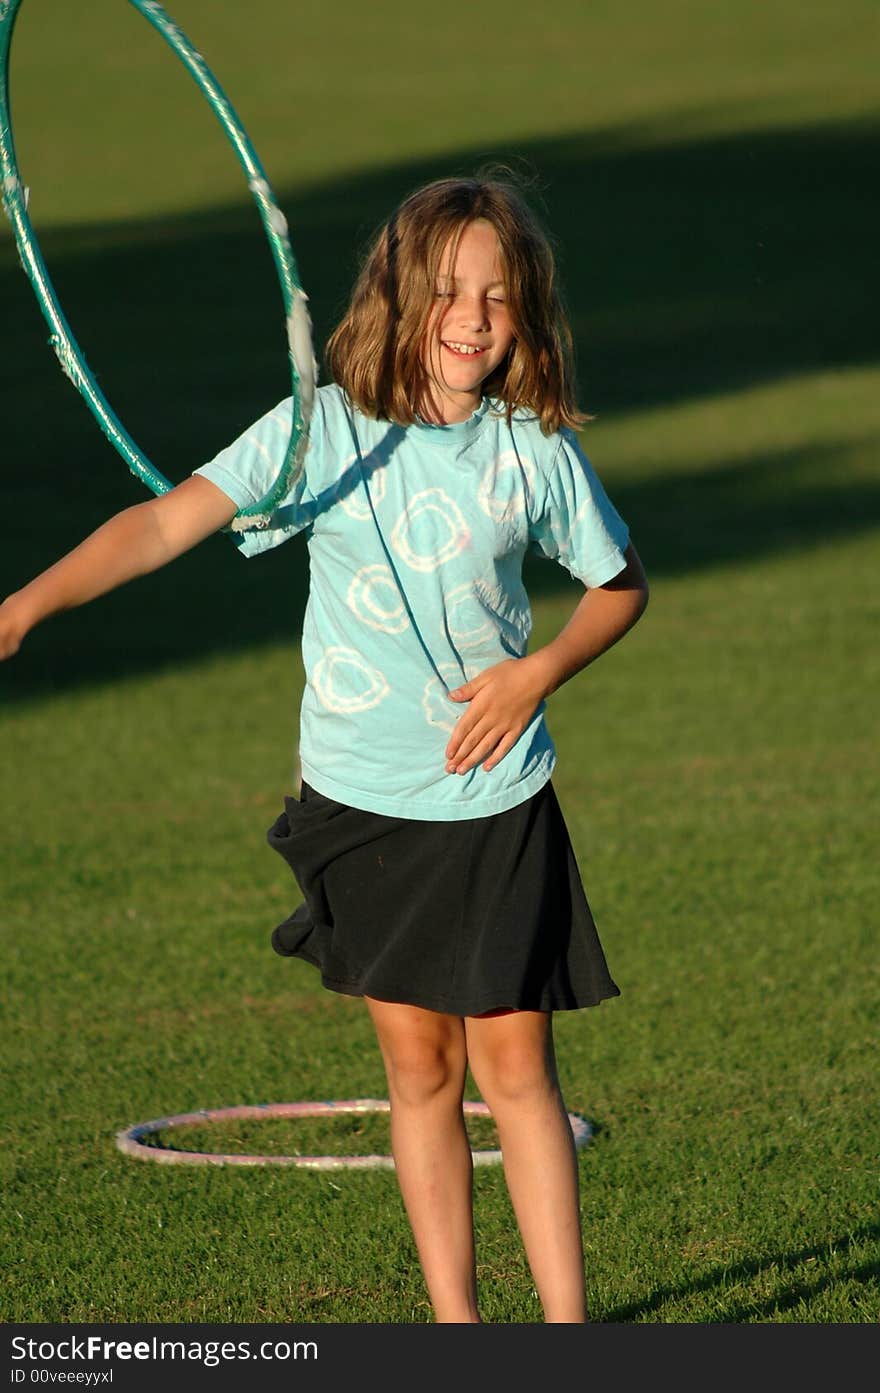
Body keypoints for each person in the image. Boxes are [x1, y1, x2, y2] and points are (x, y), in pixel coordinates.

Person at [0, 171, 649, 1323]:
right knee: (420, 1076)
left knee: (517, 1076)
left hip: (494, 803)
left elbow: (618, 587)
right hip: (365, 810)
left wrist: (536, 670)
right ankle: (456, 1326)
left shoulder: (528, 448)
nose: (473, 318)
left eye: (498, 296)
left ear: (526, 308)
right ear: (398, 297)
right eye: (448, 291)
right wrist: (21, 608)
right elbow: (161, 523)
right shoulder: (321, 432)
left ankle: (568, 1333)